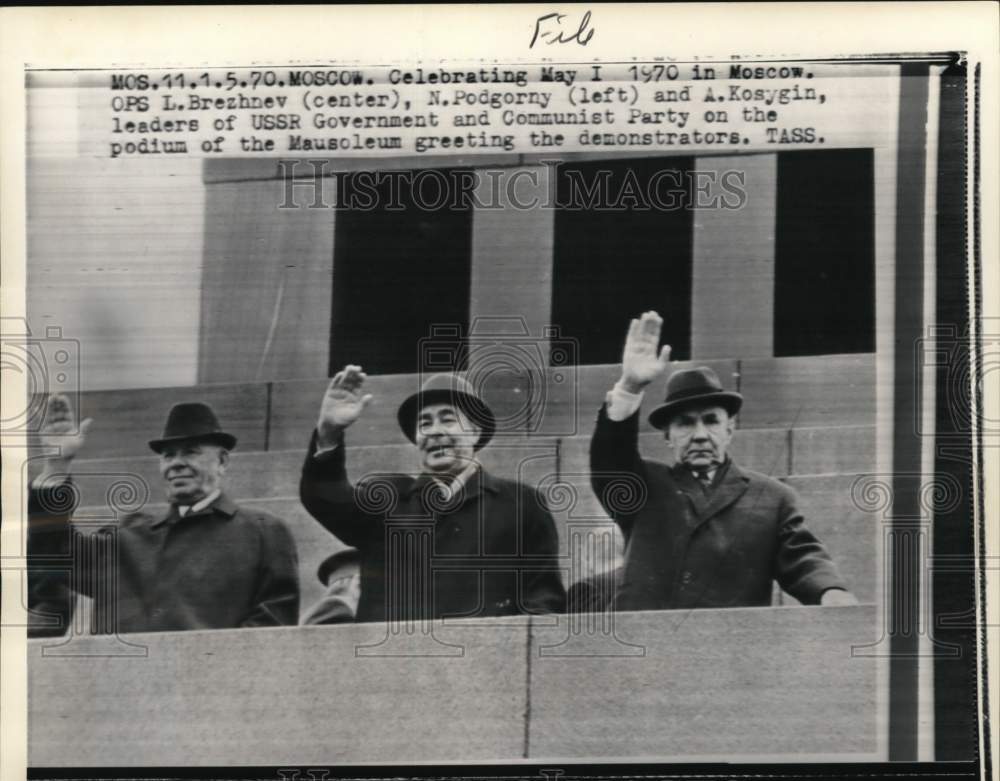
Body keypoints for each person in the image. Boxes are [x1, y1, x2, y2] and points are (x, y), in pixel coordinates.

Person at [589, 311, 858, 611]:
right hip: (648, 647)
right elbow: (609, 459)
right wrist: (629, 387)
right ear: (668, 435)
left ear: (729, 429)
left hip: (728, 649)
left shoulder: (772, 498)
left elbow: (803, 558)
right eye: (686, 423)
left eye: (711, 421)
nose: (700, 434)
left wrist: (830, 591)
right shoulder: (644, 484)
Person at [299, 366, 566, 623]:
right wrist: (329, 432)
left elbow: (542, 596)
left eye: (448, 419)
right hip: (394, 660)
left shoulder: (521, 503)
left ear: (475, 431)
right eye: (424, 423)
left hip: (481, 661)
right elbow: (326, 500)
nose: (434, 430)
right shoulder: (388, 497)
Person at [27, 395, 300, 635]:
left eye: (191, 452)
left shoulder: (263, 531)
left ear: (223, 461)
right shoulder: (128, 538)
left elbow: (273, 626)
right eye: (168, 455)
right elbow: (54, 557)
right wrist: (56, 466)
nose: (177, 463)